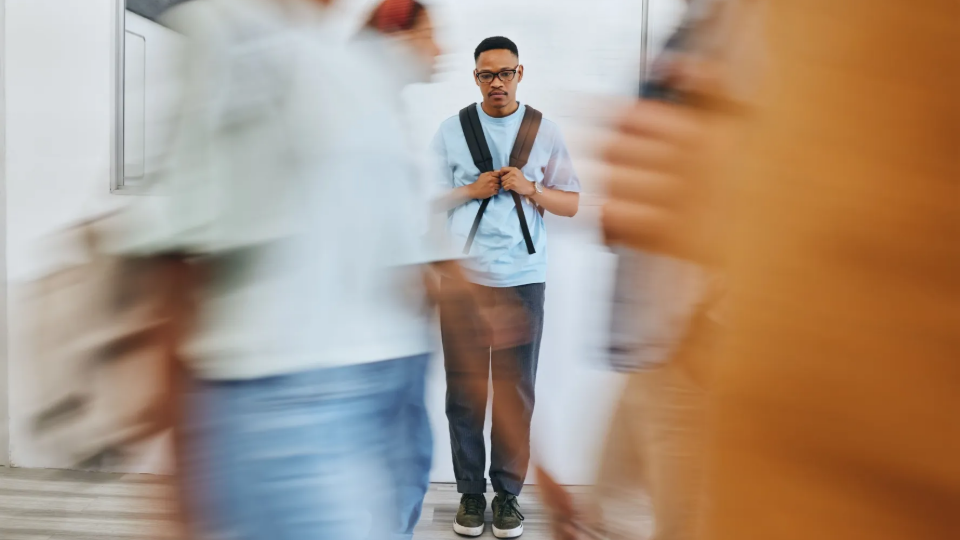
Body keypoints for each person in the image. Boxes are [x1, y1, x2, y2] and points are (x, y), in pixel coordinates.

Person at [602, 0, 960, 539]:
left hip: (731, 354)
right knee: (612, 510)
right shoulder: (715, 23)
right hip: (668, 343)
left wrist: (760, 206)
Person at [111, 0, 455, 539]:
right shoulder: (229, 29)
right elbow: (178, 255)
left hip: (367, 387)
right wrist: (178, 478)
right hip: (279, 398)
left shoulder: (349, 66)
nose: (443, 49)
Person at [431, 35, 581, 539]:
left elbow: (572, 204)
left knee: (516, 394)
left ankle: (508, 498)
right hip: (465, 281)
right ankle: (471, 495)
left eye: (505, 73)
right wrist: (470, 190)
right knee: (465, 392)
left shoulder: (545, 131)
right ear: (474, 78)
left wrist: (531, 189)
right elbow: (426, 202)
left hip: (523, 279)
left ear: (521, 73)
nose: (496, 82)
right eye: (486, 74)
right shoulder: (452, 131)